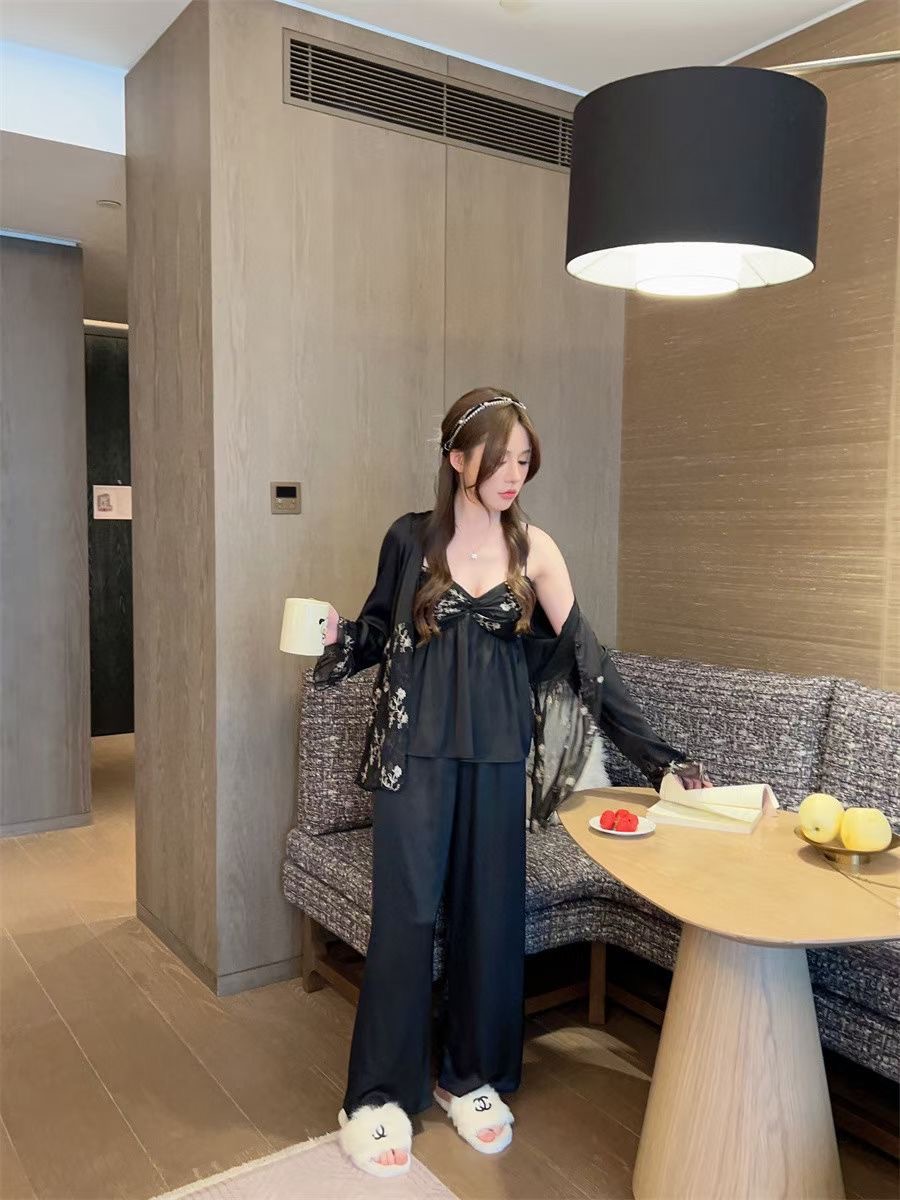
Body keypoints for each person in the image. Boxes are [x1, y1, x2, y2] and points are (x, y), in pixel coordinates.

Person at [314, 387, 712, 1177]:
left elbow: (590, 663)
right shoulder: (409, 539)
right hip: (412, 756)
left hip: (498, 757)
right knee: (407, 919)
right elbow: (376, 631)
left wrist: (662, 762)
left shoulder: (536, 550)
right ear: (457, 457)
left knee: (490, 917)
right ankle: (378, 1097)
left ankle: (471, 1077)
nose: (512, 475)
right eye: (499, 459)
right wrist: (338, 636)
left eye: (524, 461)